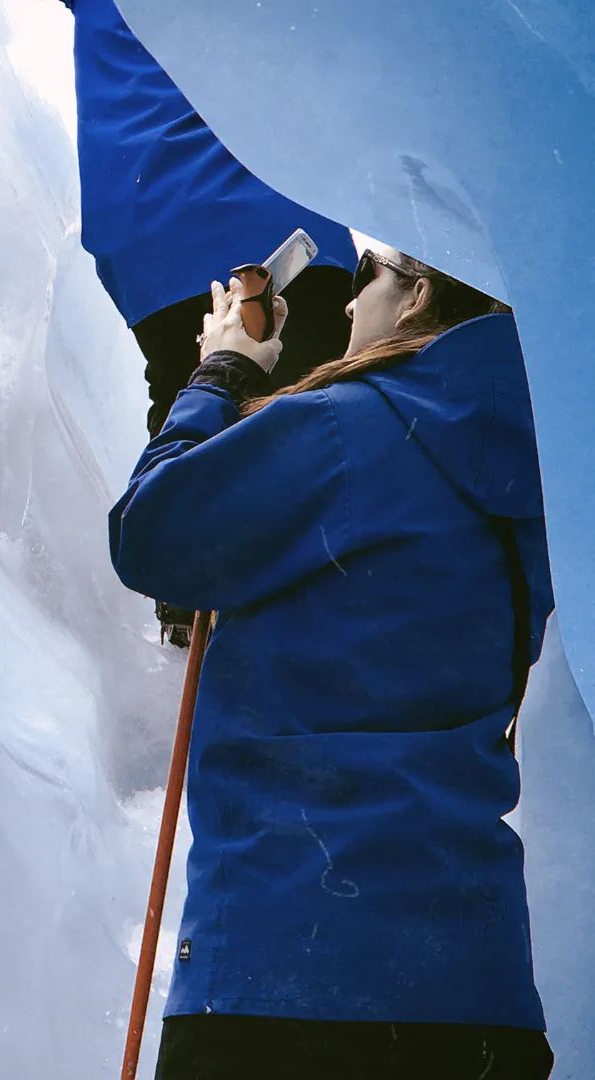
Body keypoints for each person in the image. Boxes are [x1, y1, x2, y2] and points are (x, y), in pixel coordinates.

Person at [109, 249, 555, 1079]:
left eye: (367, 277)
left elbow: (155, 533)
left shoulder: (350, 428)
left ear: (420, 294)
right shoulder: (544, 481)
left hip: (286, 968)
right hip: (478, 994)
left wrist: (221, 374)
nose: (347, 310)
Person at [58, 0, 357, 644]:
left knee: (189, 382)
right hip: (269, 202)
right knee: (319, 416)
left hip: (146, 212)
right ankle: (285, 623)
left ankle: (191, 606)